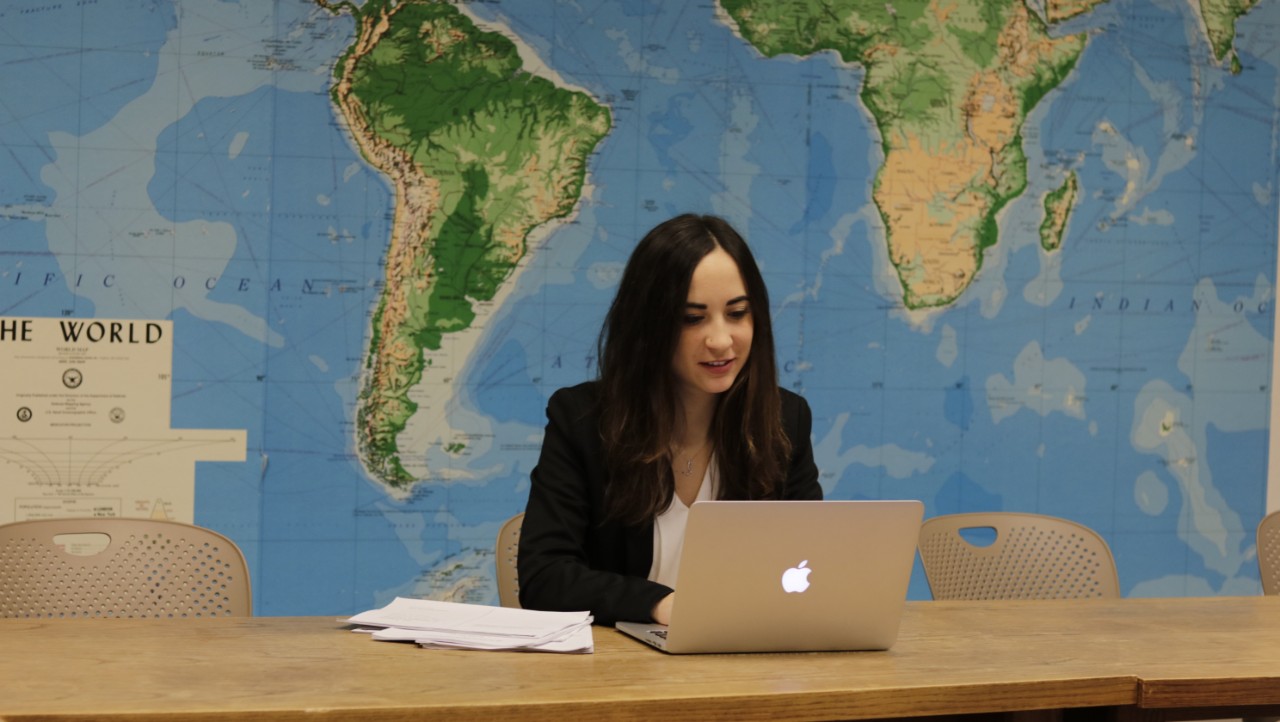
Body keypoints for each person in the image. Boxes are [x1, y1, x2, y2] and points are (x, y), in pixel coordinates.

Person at [517, 214, 822, 626]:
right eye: (692, 318)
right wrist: (660, 605)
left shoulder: (785, 421)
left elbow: (811, 566)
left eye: (737, 314)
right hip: (617, 670)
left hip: (745, 662)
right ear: (649, 325)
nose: (720, 340)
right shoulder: (583, 421)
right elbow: (545, 577)